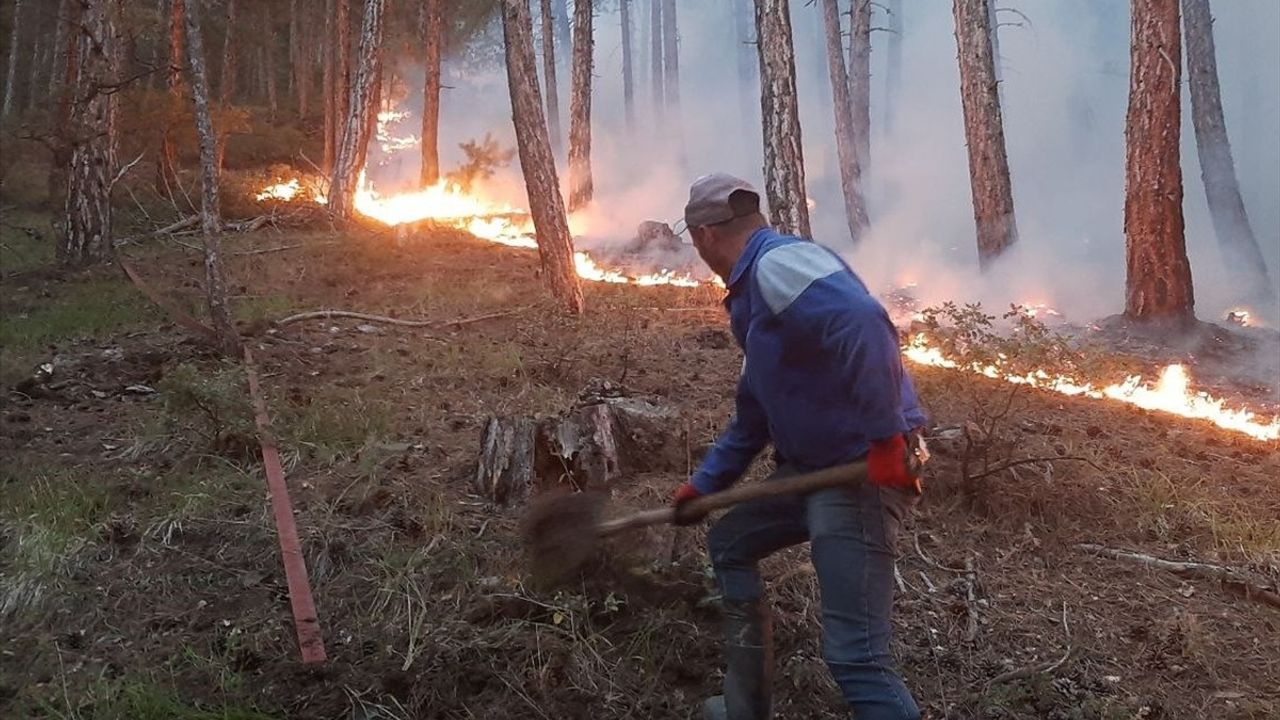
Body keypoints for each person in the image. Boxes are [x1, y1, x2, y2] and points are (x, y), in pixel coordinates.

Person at [672, 173, 927, 720]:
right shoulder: (755, 297)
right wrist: (705, 484)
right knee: (731, 543)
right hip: (810, 469)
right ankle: (746, 708)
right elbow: (754, 411)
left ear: (705, 236)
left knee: (857, 656)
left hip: (858, 476)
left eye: (695, 242)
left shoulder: (778, 264)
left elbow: (865, 323)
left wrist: (885, 438)